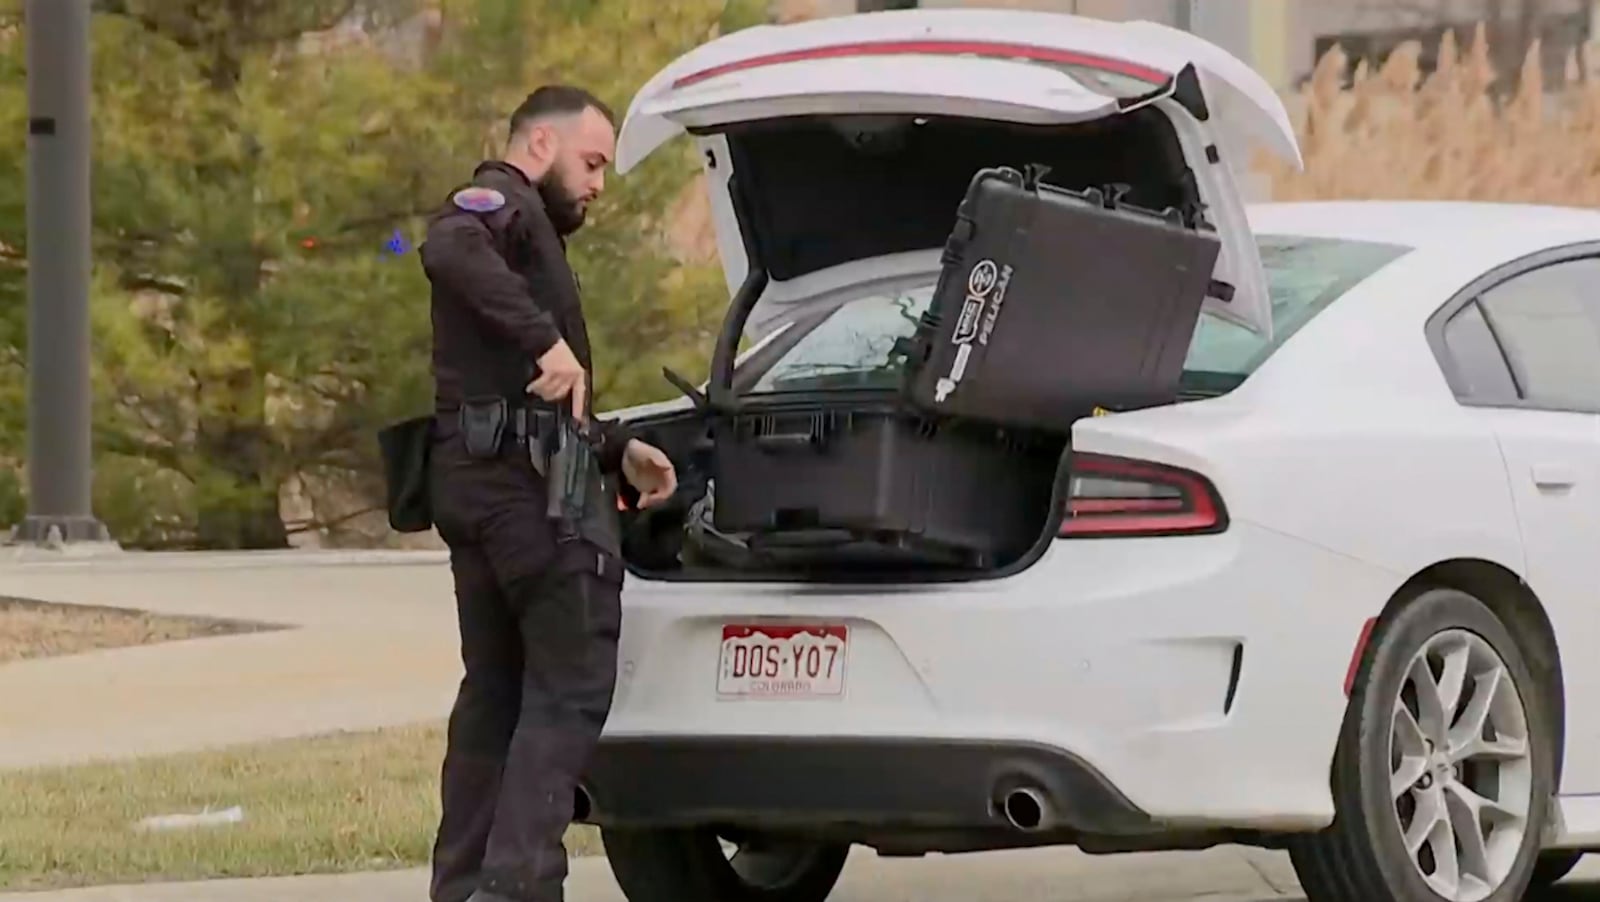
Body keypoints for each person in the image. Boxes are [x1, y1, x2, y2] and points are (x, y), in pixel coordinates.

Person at [418, 84, 677, 902]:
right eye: (592, 161)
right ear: (540, 146)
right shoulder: (498, 201)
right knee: (568, 683)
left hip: (484, 479)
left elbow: (532, 389)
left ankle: (464, 888)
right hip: (520, 495)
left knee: (495, 693)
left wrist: (615, 448)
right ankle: (518, 885)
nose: (599, 182)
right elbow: (444, 247)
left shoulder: (528, 235)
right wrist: (546, 338)